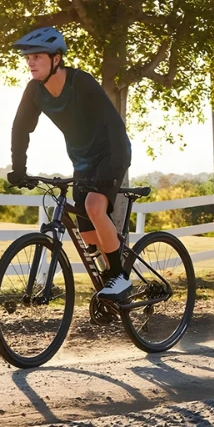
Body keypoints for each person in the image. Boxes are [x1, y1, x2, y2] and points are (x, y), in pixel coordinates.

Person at [7, 26, 133, 301]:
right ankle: (113, 283)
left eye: (37, 57)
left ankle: (119, 278)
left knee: (93, 207)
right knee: (87, 232)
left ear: (56, 59)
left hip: (111, 154)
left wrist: (114, 167)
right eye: (27, 58)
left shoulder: (81, 83)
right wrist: (19, 168)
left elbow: (114, 125)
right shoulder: (34, 91)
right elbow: (21, 128)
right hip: (82, 162)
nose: (30, 63)